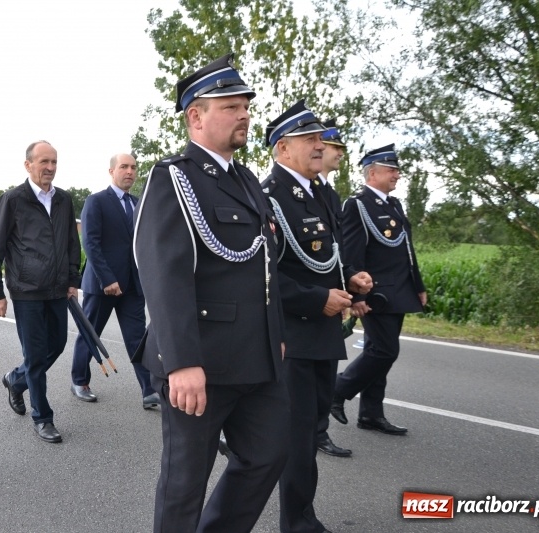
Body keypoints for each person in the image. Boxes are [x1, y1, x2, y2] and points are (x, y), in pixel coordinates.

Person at [133, 53, 289, 533]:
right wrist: (181, 362)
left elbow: (265, 265)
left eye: (244, 105)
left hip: (255, 356)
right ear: (195, 117)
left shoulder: (245, 180)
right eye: (229, 105)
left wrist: (275, 333)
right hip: (199, 358)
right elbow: (165, 274)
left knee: (268, 456)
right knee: (185, 484)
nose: (243, 113)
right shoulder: (173, 177)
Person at [261, 101, 373, 533]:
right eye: (310, 139)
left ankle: (300, 513)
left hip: (323, 333)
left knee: (311, 430)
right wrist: (315, 300)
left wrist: (352, 281)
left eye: (319, 139)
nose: (319, 145)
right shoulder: (269, 197)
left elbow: (327, 257)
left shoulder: (318, 193)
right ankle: (298, 521)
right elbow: (264, 275)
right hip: (295, 334)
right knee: (298, 436)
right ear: (282, 148)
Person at [0, 140, 81, 444]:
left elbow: (71, 243)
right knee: (37, 355)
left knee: (58, 343)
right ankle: (43, 417)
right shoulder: (13, 200)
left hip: (57, 290)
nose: (50, 168)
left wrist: (72, 280)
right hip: (26, 291)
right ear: (28, 164)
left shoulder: (65, 200)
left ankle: (16, 379)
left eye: (54, 162)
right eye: (44, 162)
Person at [330, 144, 427, 435]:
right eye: (391, 170)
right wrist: (357, 296)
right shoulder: (357, 205)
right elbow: (352, 253)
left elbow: (407, 251)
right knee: (385, 351)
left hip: (400, 290)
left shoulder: (393, 205)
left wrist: (418, 286)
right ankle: (336, 390)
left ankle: (371, 414)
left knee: (377, 350)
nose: (397, 175)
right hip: (376, 292)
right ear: (373, 173)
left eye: (397, 170)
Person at [70, 153, 159, 409]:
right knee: (90, 334)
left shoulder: (138, 203)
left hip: (133, 285)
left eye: (133, 167)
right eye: (124, 167)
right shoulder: (96, 201)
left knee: (137, 339)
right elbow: (91, 243)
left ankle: (149, 390)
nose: (130, 171)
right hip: (102, 285)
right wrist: (107, 278)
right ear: (111, 171)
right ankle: (80, 381)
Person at [315, 118, 356, 459]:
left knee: (326, 376)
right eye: (334, 147)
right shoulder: (296, 192)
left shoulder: (330, 193)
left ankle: (318, 433)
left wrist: (350, 287)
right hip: (308, 304)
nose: (339, 154)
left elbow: (337, 249)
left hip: (332, 299)